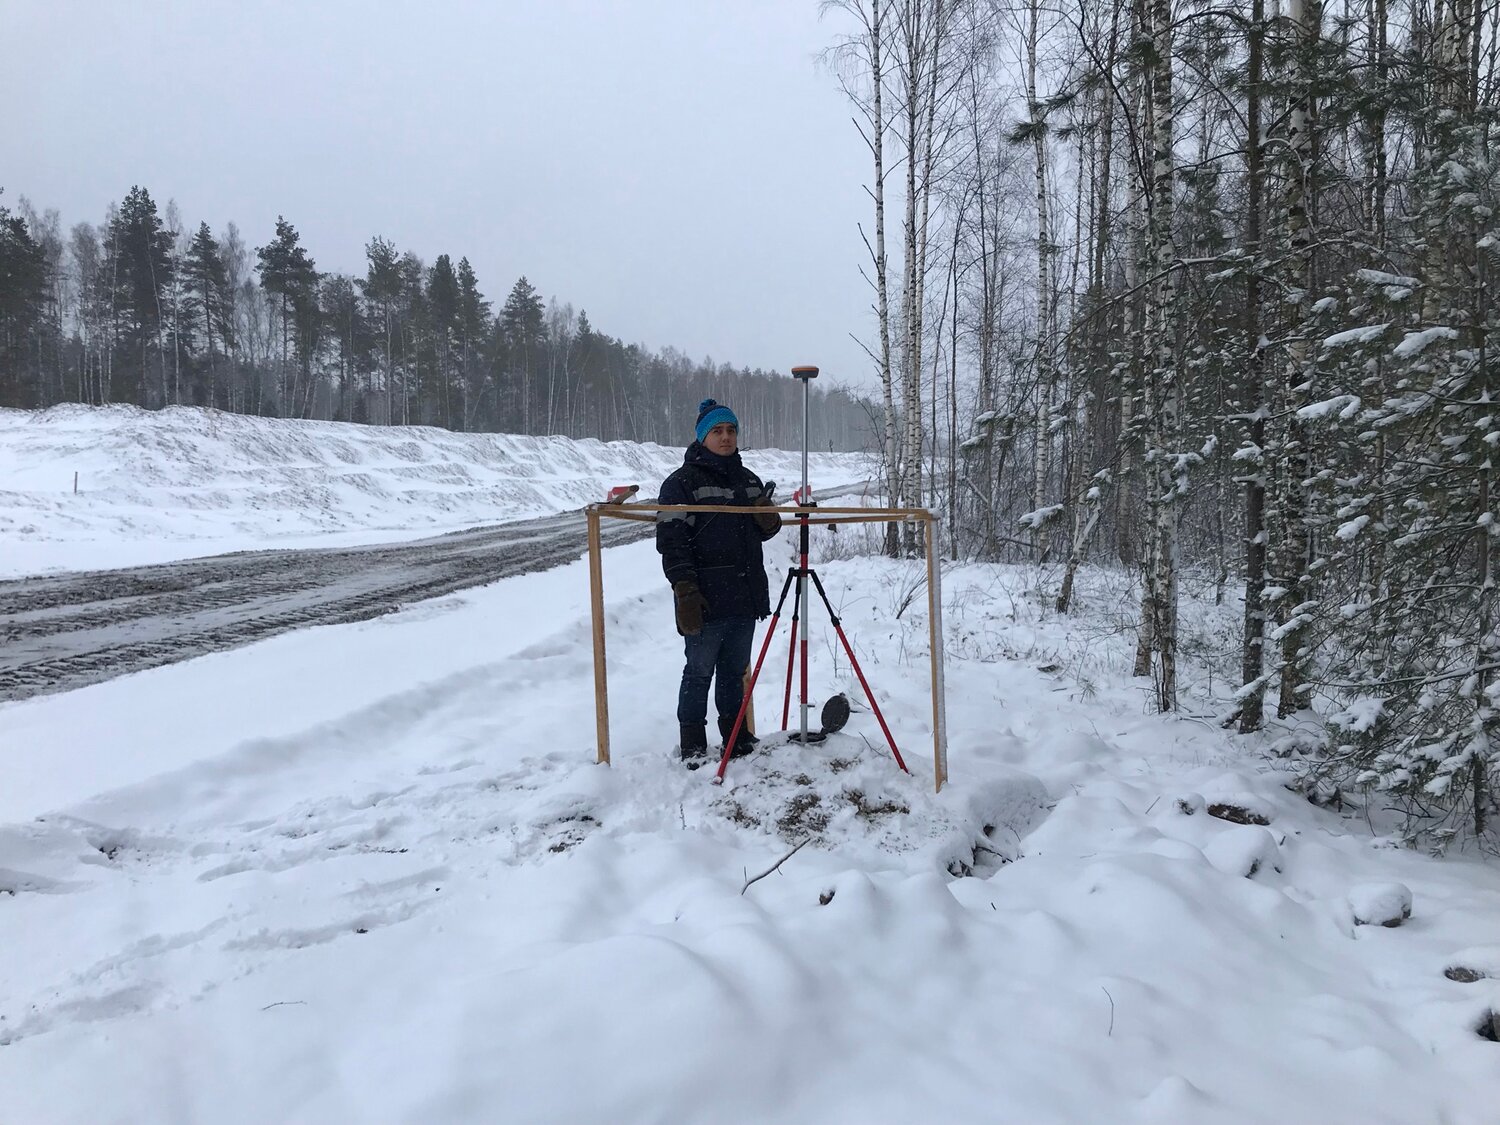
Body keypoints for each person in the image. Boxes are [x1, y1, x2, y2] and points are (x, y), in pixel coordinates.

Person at [656, 399, 782, 767]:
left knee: (734, 672)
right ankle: (693, 744)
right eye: (717, 431)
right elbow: (671, 541)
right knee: (698, 673)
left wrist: (768, 519)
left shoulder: (747, 479)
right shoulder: (680, 484)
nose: (726, 437)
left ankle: (737, 738)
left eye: (731, 430)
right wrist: (685, 589)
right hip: (705, 598)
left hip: (743, 595)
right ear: (702, 436)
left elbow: (763, 532)